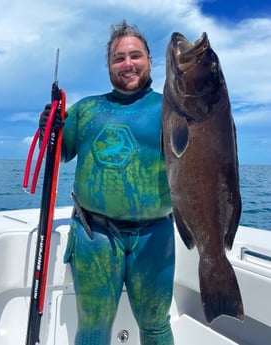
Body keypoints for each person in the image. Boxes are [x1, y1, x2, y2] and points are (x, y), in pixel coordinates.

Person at [40, 20, 175, 345]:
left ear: (149, 60)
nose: (128, 64)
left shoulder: (172, 108)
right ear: (109, 65)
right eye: (119, 58)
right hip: (94, 235)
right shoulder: (87, 110)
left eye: (135, 56)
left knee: (156, 325)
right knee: (93, 328)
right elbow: (58, 156)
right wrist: (50, 128)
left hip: (154, 235)